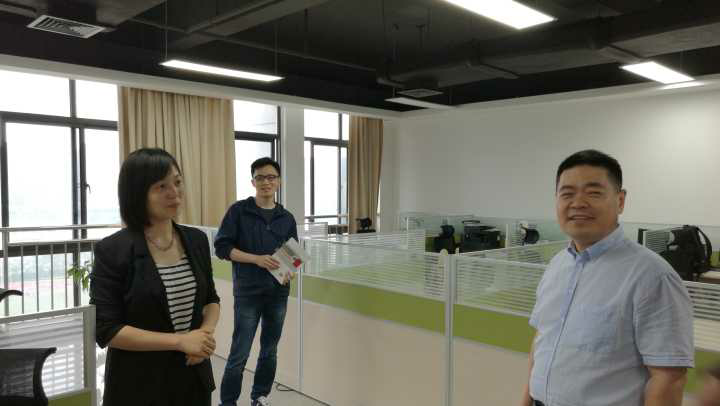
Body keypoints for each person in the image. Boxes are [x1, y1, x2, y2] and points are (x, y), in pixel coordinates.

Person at [522, 149, 694, 406]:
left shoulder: (653, 276)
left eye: (593, 192)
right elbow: (542, 341)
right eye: (567, 193)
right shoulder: (557, 265)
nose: (578, 203)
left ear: (620, 201)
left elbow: (668, 378)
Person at [90, 148, 221, 406]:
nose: (175, 192)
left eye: (177, 182)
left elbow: (211, 299)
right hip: (139, 384)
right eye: (162, 186)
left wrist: (203, 337)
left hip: (192, 378)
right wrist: (181, 341)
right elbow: (107, 329)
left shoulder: (196, 240)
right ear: (137, 194)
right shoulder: (113, 250)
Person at [215, 157, 298, 406]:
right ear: (253, 182)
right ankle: (228, 402)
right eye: (260, 177)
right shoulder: (239, 211)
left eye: (271, 177)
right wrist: (256, 259)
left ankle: (260, 396)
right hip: (248, 292)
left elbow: (293, 254)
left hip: (277, 292)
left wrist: (291, 270)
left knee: (269, 350)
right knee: (240, 352)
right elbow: (222, 247)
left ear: (278, 181)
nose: (266, 182)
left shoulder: (286, 217)